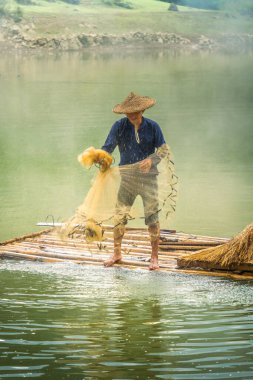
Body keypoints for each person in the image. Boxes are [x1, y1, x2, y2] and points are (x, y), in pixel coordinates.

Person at [101, 92, 166, 270]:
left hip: (149, 180)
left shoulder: (153, 127)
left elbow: (162, 151)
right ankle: (117, 253)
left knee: (152, 218)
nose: (132, 116)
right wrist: (101, 158)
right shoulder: (119, 126)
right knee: (119, 216)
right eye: (129, 113)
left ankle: (154, 257)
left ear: (143, 110)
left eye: (135, 113)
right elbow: (108, 148)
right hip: (127, 179)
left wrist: (151, 160)